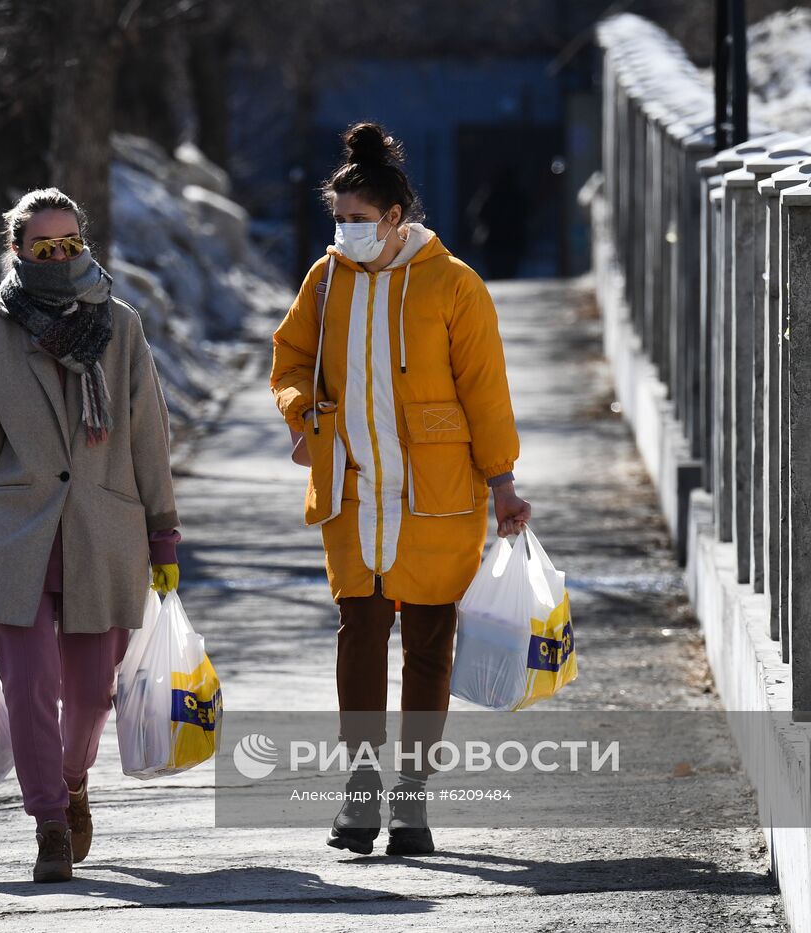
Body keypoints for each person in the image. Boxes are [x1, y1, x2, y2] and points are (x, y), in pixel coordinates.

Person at [270, 123, 531, 857]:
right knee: (359, 636)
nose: (346, 232)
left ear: (395, 218)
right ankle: (359, 792)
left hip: (436, 496)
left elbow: (486, 391)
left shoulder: (454, 285)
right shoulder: (324, 282)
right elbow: (289, 360)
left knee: (427, 645)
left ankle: (411, 802)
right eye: (339, 220)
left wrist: (503, 481)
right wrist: (303, 414)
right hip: (353, 491)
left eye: (359, 221)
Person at [0, 188, 181, 883]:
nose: (60, 256)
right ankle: (48, 819)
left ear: (85, 241)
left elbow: (145, 434)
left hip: (103, 530)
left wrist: (163, 533)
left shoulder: (121, 326)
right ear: (18, 251)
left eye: (70, 243)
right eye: (44, 247)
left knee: (91, 689)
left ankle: (73, 780)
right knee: (30, 685)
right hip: (16, 535)